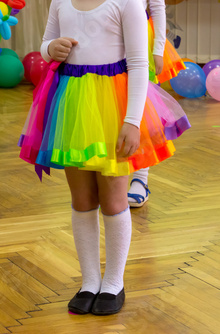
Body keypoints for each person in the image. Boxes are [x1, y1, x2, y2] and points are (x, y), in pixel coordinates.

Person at [19, 0, 187, 315]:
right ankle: (89, 280)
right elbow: (45, 44)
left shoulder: (128, 3)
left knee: (112, 199)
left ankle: (113, 282)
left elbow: (138, 64)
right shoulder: (60, 2)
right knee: (81, 198)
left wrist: (132, 121)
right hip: (72, 104)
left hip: (113, 105)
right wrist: (50, 48)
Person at [128, 0, 187, 208]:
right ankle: (109, 179)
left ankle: (140, 178)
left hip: (140, 39)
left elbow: (157, 7)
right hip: (108, 42)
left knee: (143, 111)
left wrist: (158, 49)